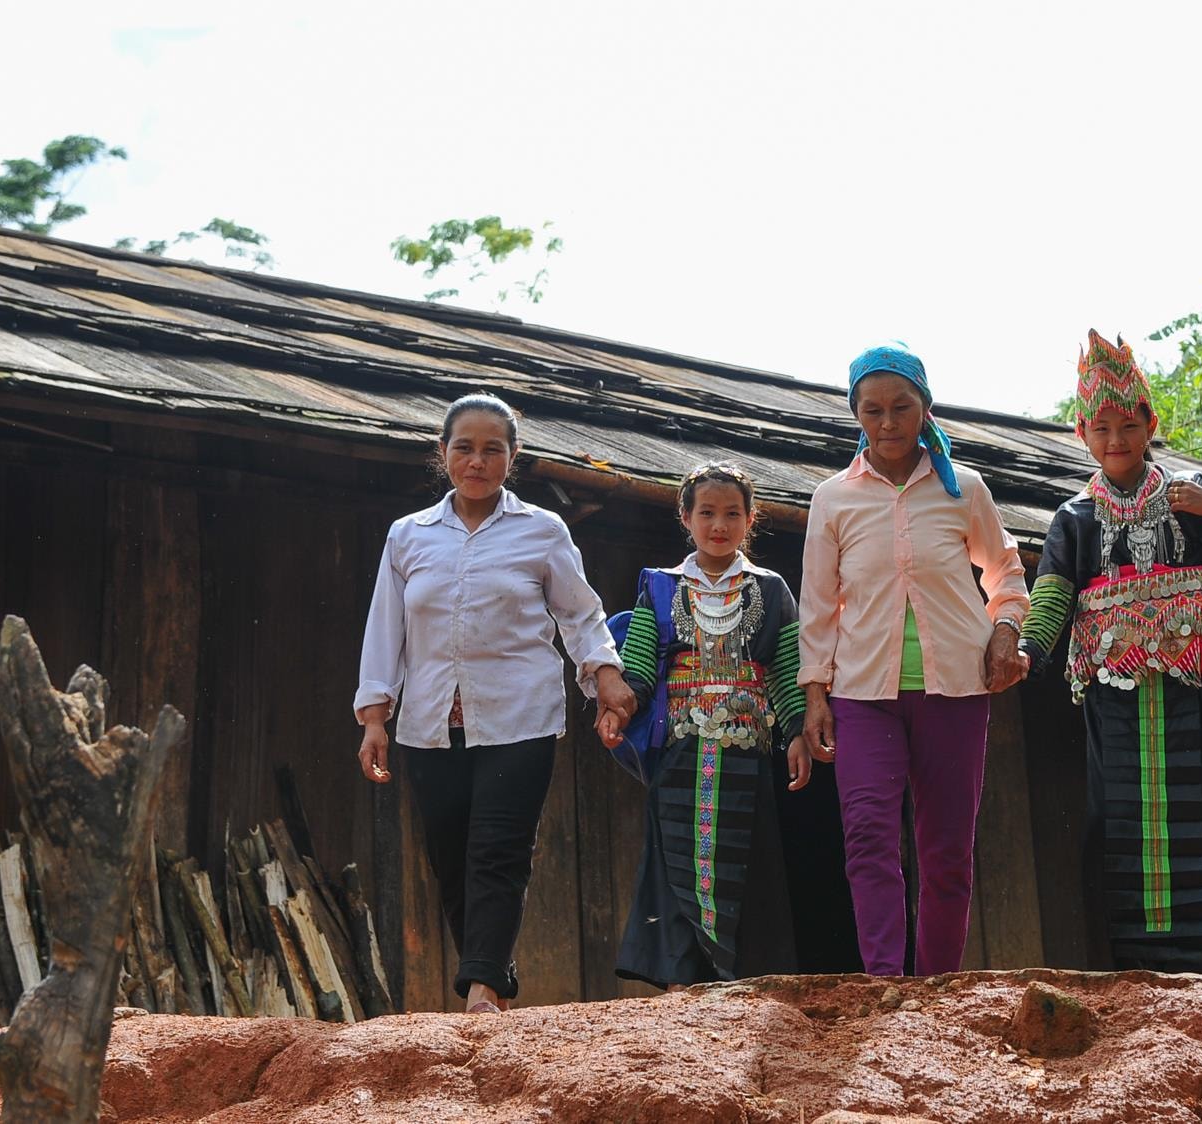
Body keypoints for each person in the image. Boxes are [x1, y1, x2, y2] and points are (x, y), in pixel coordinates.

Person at [353, 393, 637, 1013]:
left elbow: (579, 613)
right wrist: (376, 714)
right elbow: (385, 630)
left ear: (512, 458)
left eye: (492, 449)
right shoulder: (409, 536)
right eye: (463, 448)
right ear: (443, 454)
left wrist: (606, 677)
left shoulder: (541, 530)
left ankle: (479, 989)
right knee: (450, 857)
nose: (476, 461)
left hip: (519, 715)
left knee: (498, 850)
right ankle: (493, 975)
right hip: (430, 722)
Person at [1018, 332, 1202, 973]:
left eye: (1129, 425)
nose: (1116, 440)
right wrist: (1027, 650)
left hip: (1193, 692)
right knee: (1124, 823)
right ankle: (1135, 966)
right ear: (1081, 433)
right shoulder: (1074, 519)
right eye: (1101, 428)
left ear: (1151, 424)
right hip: (1115, 702)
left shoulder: (1193, 501)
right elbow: (1051, 596)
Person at [798, 344, 1029, 978]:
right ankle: (884, 982)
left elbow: (1005, 571)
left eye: (902, 407)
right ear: (856, 416)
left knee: (947, 848)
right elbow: (818, 603)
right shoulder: (833, 499)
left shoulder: (965, 489)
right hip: (861, 693)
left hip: (956, 689)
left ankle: (938, 987)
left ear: (925, 409)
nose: (889, 422)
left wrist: (1007, 630)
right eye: (872, 411)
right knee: (869, 838)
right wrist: (815, 694)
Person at [613, 463, 812, 989]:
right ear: (686, 517)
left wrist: (795, 732)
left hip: (748, 751)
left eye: (732, 513)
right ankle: (682, 980)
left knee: (746, 860)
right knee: (675, 858)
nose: (718, 524)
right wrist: (619, 706)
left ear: (751, 520)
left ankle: (742, 979)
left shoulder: (770, 590)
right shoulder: (659, 587)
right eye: (707, 513)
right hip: (679, 748)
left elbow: (787, 669)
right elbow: (637, 664)